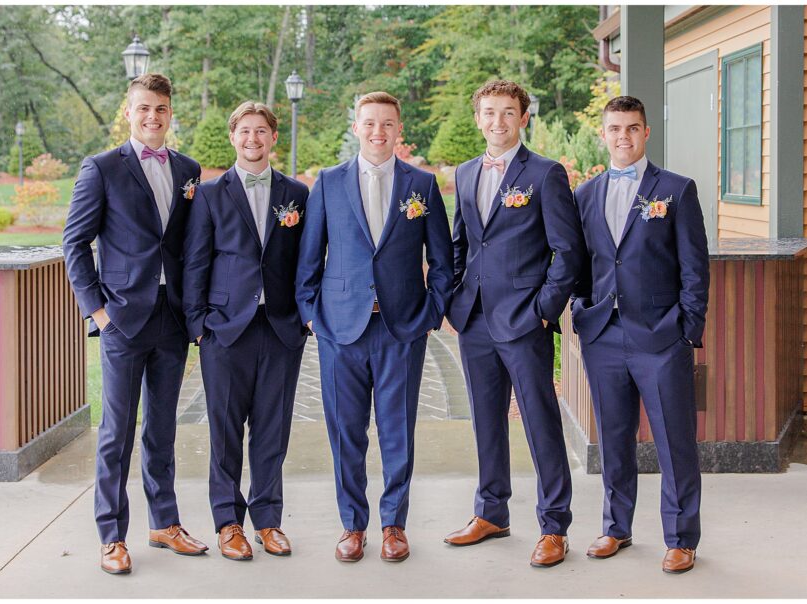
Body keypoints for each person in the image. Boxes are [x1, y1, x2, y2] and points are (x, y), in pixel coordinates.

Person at [295, 91, 453, 563]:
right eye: (369, 123)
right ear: (357, 126)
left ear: (398, 129)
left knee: (397, 429)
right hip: (340, 329)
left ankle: (394, 524)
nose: (378, 132)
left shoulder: (422, 187)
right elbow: (309, 259)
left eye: (387, 124)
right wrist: (311, 317)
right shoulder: (328, 182)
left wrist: (431, 312)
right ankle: (352, 524)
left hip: (401, 328)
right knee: (346, 431)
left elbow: (442, 262)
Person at [63, 73, 207, 575]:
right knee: (117, 433)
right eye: (143, 108)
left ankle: (164, 523)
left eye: (161, 109)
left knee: (162, 429)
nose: (152, 117)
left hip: (171, 320)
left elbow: (190, 246)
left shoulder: (189, 170)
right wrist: (97, 311)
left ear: (171, 113)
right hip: (122, 319)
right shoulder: (101, 168)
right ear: (129, 112)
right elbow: (75, 243)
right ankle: (111, 534)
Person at [443, 80, 587, 568]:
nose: (497, 121)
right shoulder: (464, 173)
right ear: (478, 118)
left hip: (524, 321)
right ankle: (491, 513)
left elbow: (568, 253)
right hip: (474, 319)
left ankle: (554, 525)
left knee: (539, 422)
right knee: (485, 421)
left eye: (508, 113)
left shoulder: (545, 174)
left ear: (523, 118)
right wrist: (455, 299)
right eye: (489, 112)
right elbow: (461, 243)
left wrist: (543, 311)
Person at [570, 95, 709, 574]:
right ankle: (615, 528)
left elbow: (695, 266)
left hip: (661, 337)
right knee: (613, 438)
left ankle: (681, 537)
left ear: (646, 132)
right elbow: (578, 263)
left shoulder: (675, 190)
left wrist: (687, 330)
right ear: (603, 134)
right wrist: (579, 308)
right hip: (602, 335)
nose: (623, 137)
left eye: (632, 128)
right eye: (614, 129)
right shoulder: (584, 194)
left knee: (675, 441)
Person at [183, 101, 310, 561]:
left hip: (280, 329)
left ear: (273, 138)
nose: (253, 140)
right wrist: (198, 325)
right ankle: (228, 522)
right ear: (233, 137)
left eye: (261, 132)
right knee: (225, 432)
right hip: (224, 330)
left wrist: (302, 317)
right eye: (245, 132)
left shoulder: (296, 194)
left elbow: (304, 262)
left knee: (272, 431)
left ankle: (269, 520)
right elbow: (196, 260)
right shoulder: (211, 195)